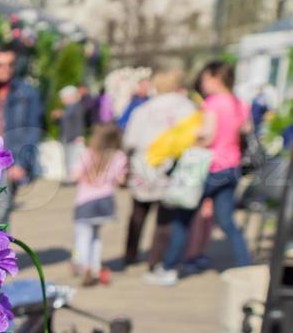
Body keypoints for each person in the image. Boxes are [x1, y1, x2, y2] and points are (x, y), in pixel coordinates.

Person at [145, 60, 253, 286]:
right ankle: (247, 267)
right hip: (231, 168)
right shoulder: (238, 103)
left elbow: (208, 136)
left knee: (183, 218)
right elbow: (246, 130)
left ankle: (169, 268)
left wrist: (184, 142)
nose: (202, 84)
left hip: (209, 168)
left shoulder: (212, 104)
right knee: (227, 222)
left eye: (204, 79)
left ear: (216, 78)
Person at [122, 70, 197, 268]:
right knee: (164, 219)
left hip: (143, 165)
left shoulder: (144, 109)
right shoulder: (188, 108)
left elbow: (130, 140)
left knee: (138, 213)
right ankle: (155, 259)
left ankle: (130, 254)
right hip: (171, 168)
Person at [0, 42, 44, 226]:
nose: (5, 69)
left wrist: (22, 162)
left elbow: (33, 130)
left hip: (6, 163)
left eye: (10, 64)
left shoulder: (26, 93)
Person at [70, 124, 127, 287]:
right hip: (105, 201)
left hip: (85, 201)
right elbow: (121, 180)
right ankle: (95, 267)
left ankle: (82, 264)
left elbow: (74, 175)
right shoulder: (118, 156)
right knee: (95, 236)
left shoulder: (87, 153)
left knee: (82, 235)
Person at [56, 85, 90, 174]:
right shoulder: (69, 108)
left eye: (64, 97)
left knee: (74, 160)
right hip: (67, 137)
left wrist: (79, 135)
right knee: (68, 159)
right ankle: (69, 177)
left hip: (74, 138)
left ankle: (72, 178)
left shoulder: (77, 106)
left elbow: (79, 122)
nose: (62, 100)